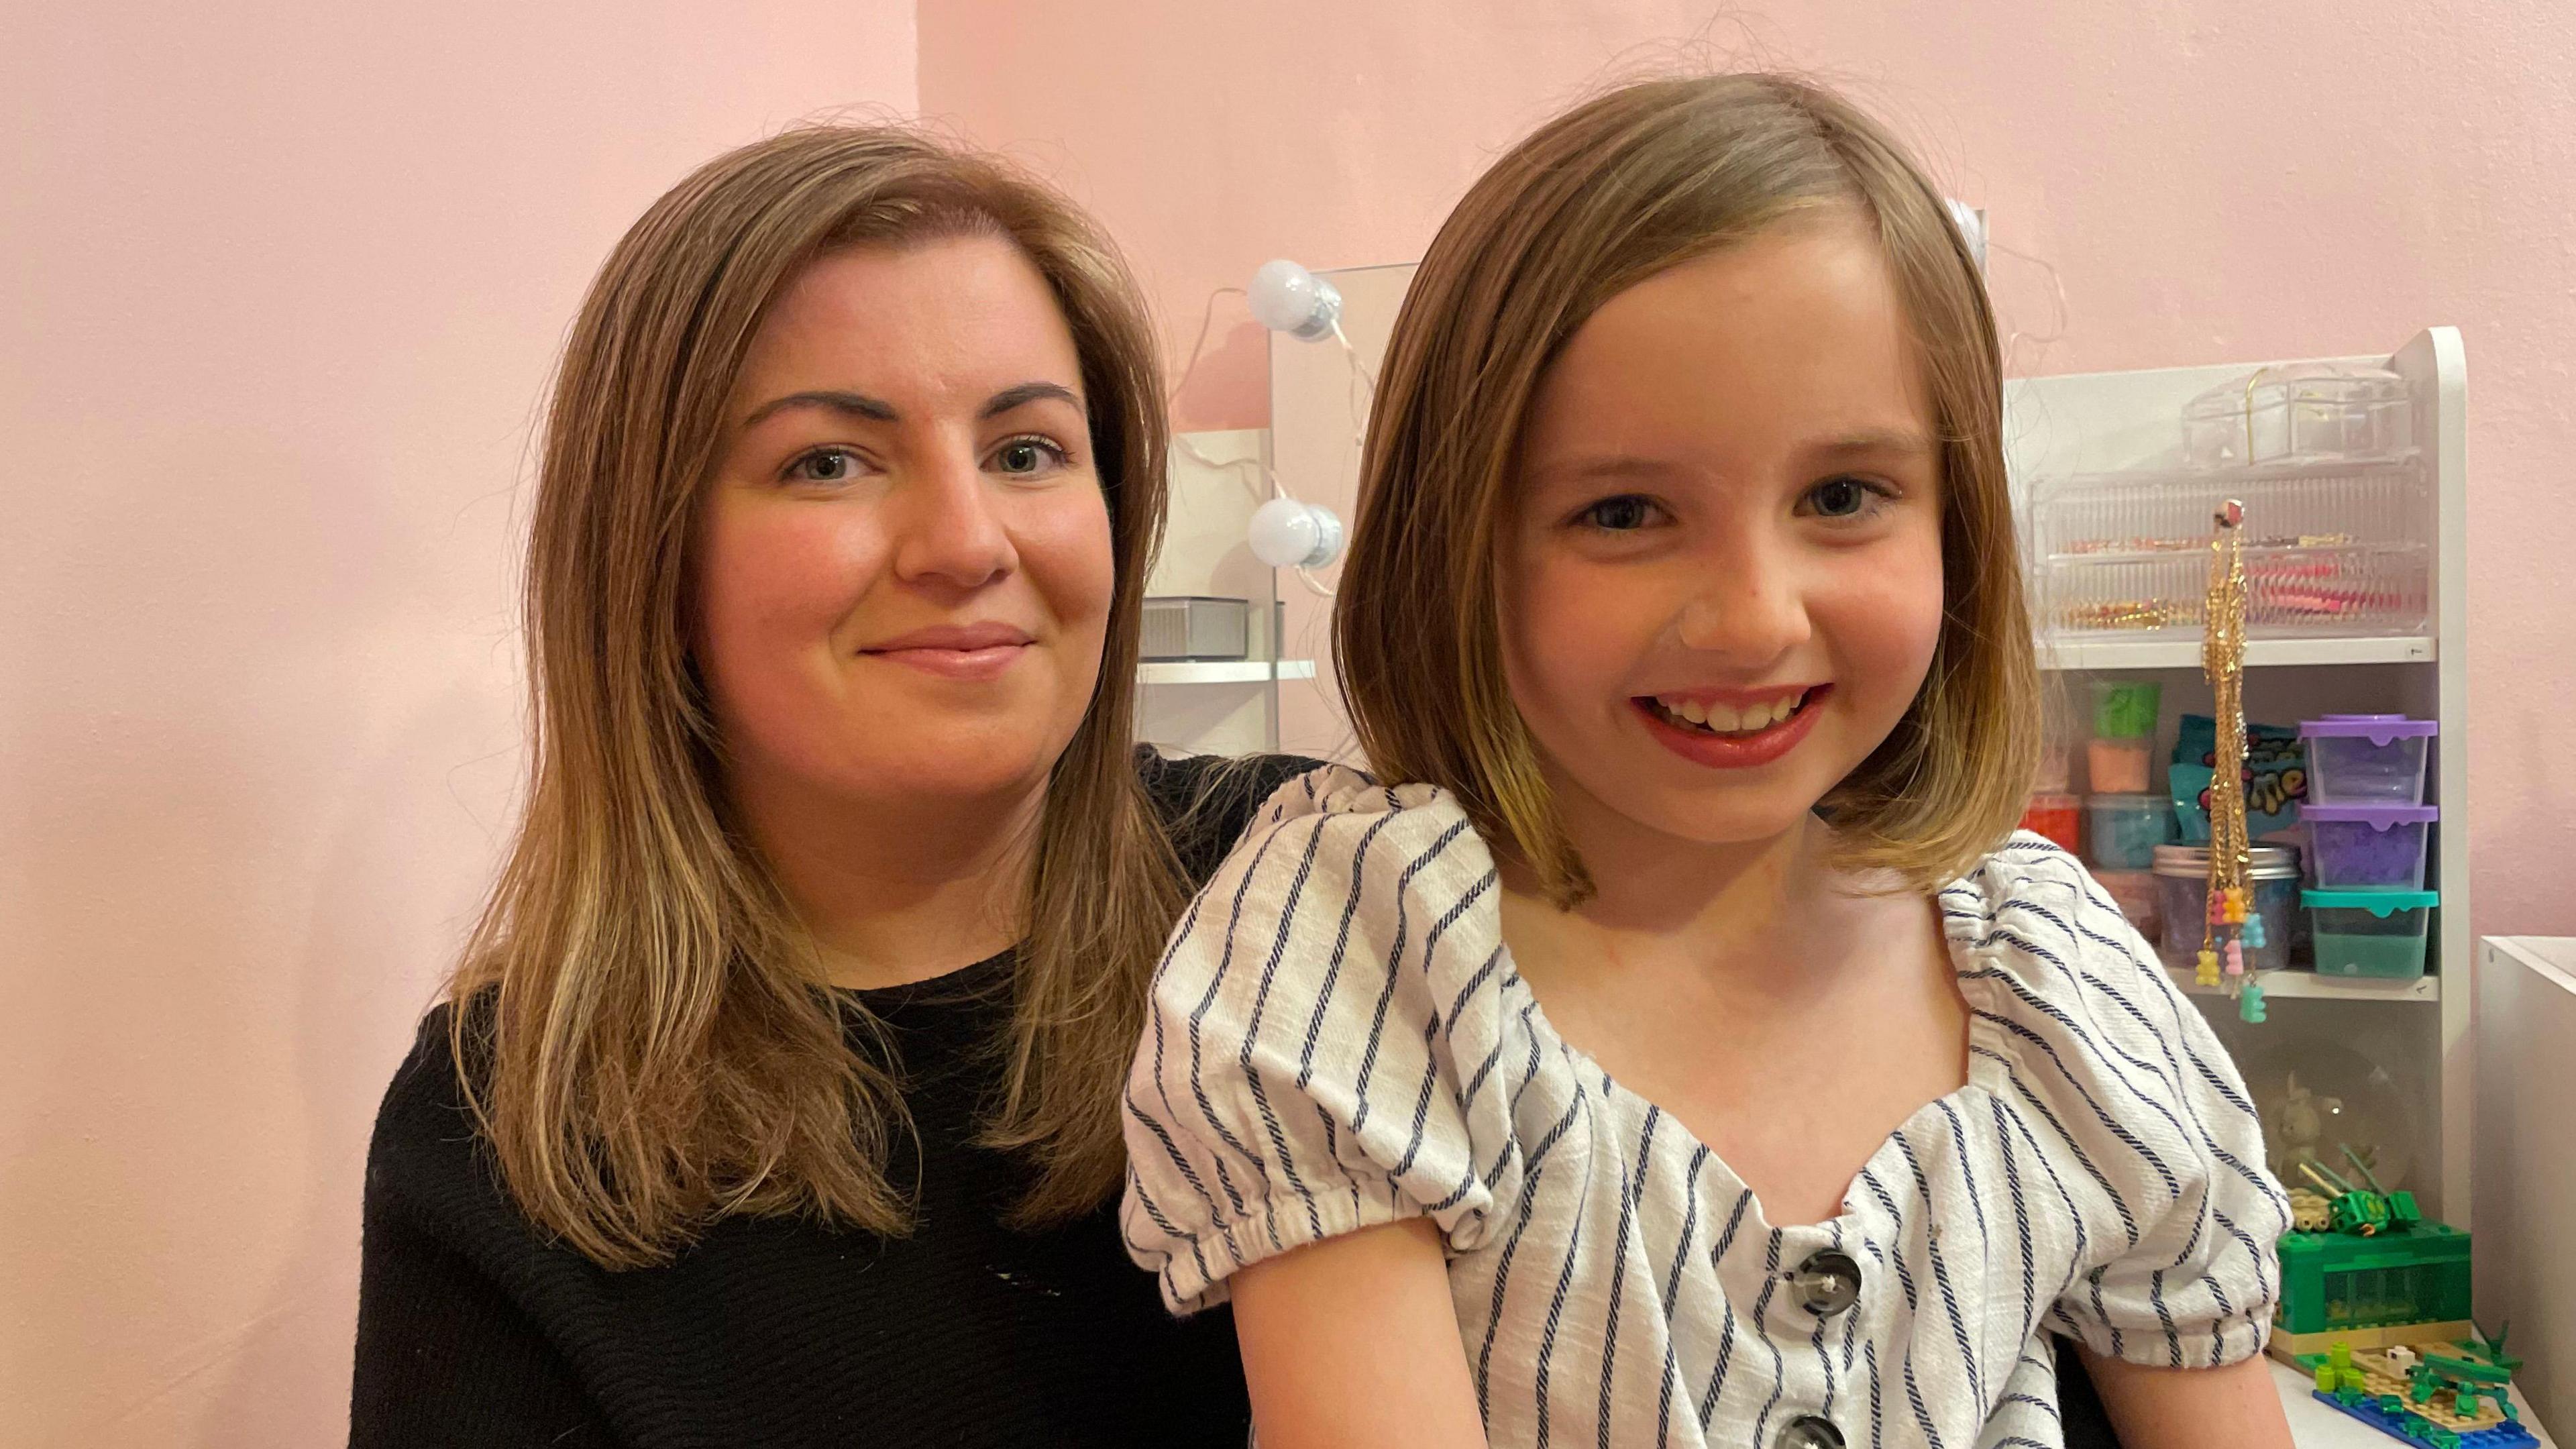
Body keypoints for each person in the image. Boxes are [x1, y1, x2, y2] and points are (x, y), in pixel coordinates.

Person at [1121, 75, 2294, 1449]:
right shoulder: (1357, 949)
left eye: (1843, 497)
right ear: (1459, 545)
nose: (1751, 619)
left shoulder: (2056, 973)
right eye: (1622, 512)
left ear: (1957, 524)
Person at [351, 124, 1304, 1447]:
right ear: (652, 559)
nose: (967, 543)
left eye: (1027, 450)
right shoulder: (502, 1130)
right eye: (829, 463)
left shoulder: (1318, 893)